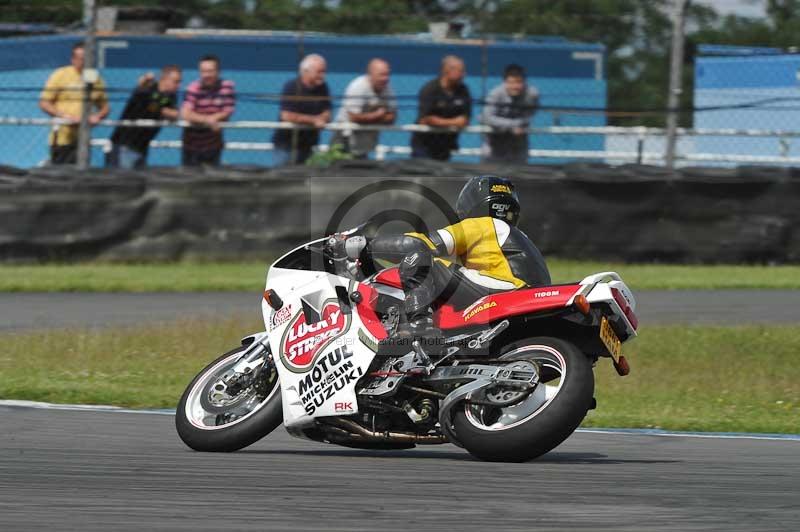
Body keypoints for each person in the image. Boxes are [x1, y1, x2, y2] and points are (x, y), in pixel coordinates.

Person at [335, 175, 551, 344]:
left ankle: (419, 325)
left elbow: (420, 244)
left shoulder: (484, 224)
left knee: (420, 258)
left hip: (507, 290)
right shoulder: (510, 235)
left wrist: (363, 245)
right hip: (524, 298)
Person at [39, 42, 110, 165]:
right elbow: (44, 103)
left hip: (83, 138)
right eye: (81, 59)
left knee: (81, 175)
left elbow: (105, 107)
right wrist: (66, 117)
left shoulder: (93, 77)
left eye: (88, 59)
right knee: (61, 174)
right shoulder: (61, 74)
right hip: (62, 138)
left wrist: (97, 116)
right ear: (73, 59)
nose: (84, 62)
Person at [106, 65, 182, 169]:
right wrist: (144, 81)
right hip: (124, 145)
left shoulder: (170, 97)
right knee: (121, 182)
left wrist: (165, 111)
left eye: (179, 82)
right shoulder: (149, 88)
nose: (178, 85)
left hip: (142, 148)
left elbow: (175, 115)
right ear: (165, 79)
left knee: (138, 183)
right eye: (176, 81)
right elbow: (142, 91)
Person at [331, 58, 397, 159]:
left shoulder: (388, 90)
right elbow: (353, 117)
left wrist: (369, 118)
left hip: (364, 144)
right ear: (371, 74)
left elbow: (392, 118)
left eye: (387, 74)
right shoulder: (358, 87)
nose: (385, 78)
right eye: (382, 75)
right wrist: (377, 115)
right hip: (344, 139)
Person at [273, 54, 332, 166]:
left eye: (324, 72)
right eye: (319, 72)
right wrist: (314, 120)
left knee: (305, 179)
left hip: (309, 145)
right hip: (287, 145)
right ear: (306, 71)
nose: (323, 75)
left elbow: (327, 111)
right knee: (284, 177)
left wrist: (323, 118)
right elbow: (286, 115)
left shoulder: (323, 88)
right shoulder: (292, 86)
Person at [410, 55, 472, 161]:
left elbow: (465, 120)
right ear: (447, 71)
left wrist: (439, 121)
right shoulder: (430, 89)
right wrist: (454, 122)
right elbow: (425, 120)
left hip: (445, 146)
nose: (464, 74)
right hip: (424, 146)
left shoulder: (463, 91)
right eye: (460, 71)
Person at [181, 55, 235, 166]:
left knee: (211, 180)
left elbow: (228, 110)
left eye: (210, 71)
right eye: (203, 71)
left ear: (218, 71)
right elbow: (186, 113)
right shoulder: (193, 88)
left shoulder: (227, 87)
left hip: (214, 144)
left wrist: (215, 118)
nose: (206, 75)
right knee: (189, 179)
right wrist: (208, 120)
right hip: (192, 145)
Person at [482, 64, 539, 164]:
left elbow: (530, 114)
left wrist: (521, 124)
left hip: (518, 141)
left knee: (519, 174)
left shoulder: (531, 94)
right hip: (495, 140)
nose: (515, 86)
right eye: (511, 82)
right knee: (492, 174)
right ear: (505, 82)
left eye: (519, 82)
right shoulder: (496, 94)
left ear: (524, 82)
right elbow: (487, 118)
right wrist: (513, 125)